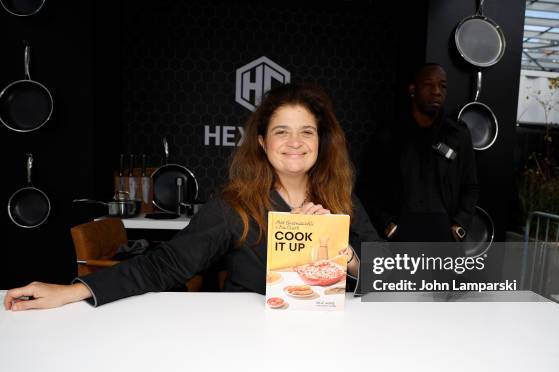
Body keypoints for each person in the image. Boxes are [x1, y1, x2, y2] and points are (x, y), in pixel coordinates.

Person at [4, 84, 381, 311]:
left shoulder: (341, 199)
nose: (295, 142)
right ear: (263, 143)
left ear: (320, 142)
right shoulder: (234, 205)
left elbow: (383, 271)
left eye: (306, 132)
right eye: (282, 131)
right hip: (250, 339)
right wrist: (74, 290)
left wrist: (344, 254)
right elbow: (164, 264)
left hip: (328, 338)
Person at [357, 63, 478, 243]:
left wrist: (459, 226)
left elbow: (470, 186)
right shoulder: (389, 135)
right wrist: (387, 225)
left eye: (442, 86)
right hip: (400, 236)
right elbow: (367, 188)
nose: (437, 91)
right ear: (413, 90)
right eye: (429, 85)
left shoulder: (458, 135)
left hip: (444, 236)